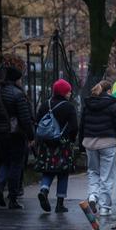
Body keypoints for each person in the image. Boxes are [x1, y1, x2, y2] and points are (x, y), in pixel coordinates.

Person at [0, 60, 34, 208]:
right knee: (16, 164)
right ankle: (13, 197)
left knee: (5, 162)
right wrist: (31, 136)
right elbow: (25, 119)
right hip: (16, 135)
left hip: (1, 135)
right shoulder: (18, 95)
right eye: (20, 79)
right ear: (16, 79)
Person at [78, 79, 116, 218]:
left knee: (93, 171)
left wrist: (81, 144)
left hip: (90, 143)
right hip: (108, 143)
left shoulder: (88, 104)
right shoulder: (113, 105)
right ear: (109, 91)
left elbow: (82, 125)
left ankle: (92, 196)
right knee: (107, 176)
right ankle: (104, 207)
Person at [34, 79, 79, 213]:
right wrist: (71, 139)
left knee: (47, 170)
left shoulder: (44, 104)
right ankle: (60, 204)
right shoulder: (68, 107)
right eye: (69, 91)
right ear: (64, 92)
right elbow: (74, 126)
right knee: (63, 173)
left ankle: (44, 189)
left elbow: (38, 122)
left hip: (46, 144)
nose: (70, 93)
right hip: (62, 144)